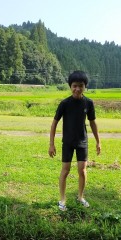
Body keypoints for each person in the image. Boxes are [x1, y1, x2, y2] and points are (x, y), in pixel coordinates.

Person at [48, 71, 101, 211]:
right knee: (65, 171)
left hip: (82, 141)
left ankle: (80, 197)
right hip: (68, 142)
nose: (77, 89)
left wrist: (98, 141)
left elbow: (93, 123)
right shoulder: (65, 103)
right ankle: (62, 199)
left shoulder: (88, 103)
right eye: (74, 85)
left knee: (82, 171)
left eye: (81, 86)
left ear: (85, 87)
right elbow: (54, 123)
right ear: (70, 86)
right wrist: (51, 144)